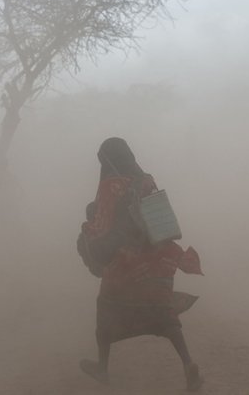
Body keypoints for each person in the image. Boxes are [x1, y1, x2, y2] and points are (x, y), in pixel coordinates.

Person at [78, 137, 204, 391]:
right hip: (158, 259)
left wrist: (87, 228)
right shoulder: (146, 179)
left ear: (107, 160)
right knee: (163, 312)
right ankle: (188, 363)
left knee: (106, 309)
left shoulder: (110, 186)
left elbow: (103, 226)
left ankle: (102, 368)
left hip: (126, 263)